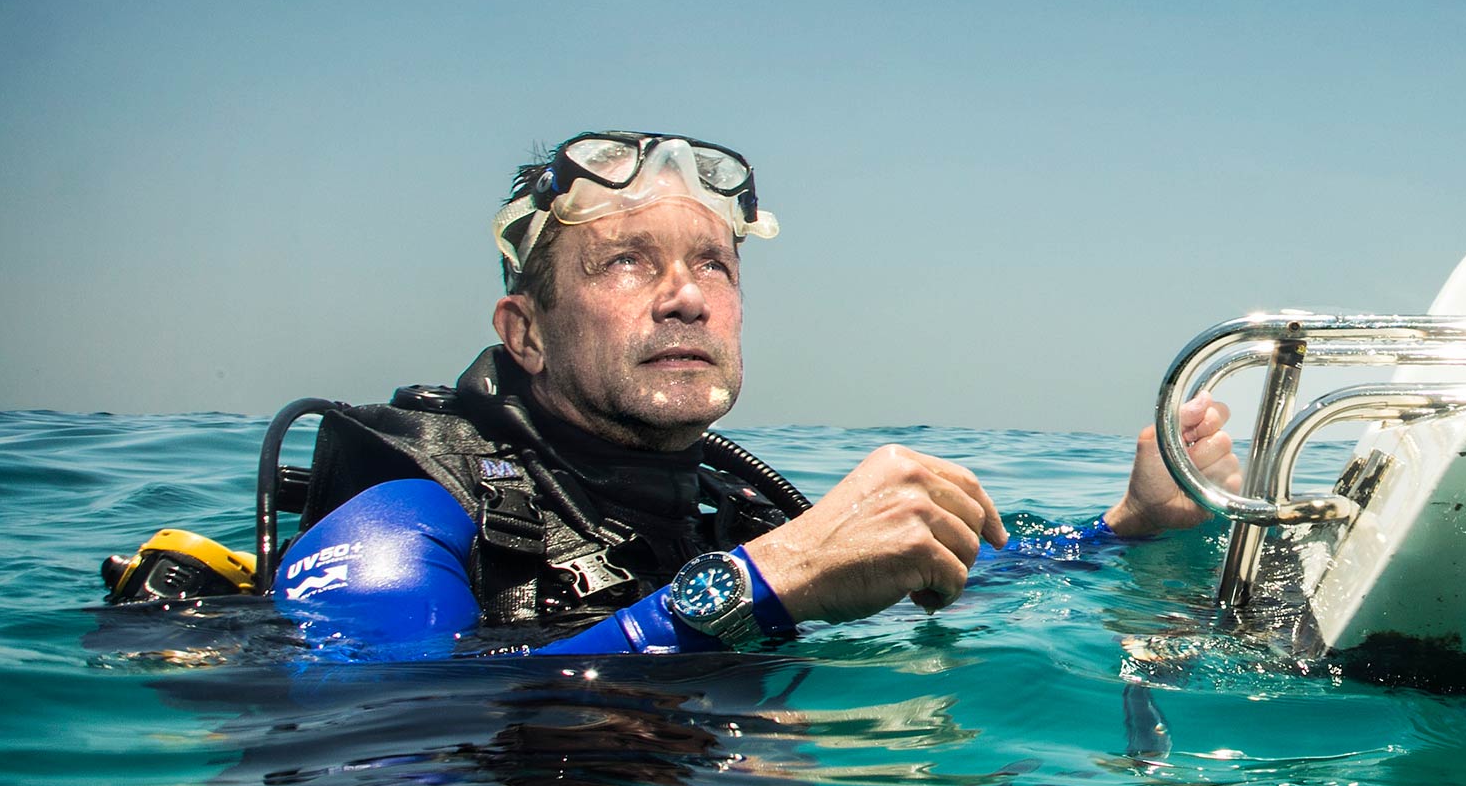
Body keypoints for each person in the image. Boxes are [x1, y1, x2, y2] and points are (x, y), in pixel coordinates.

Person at [275, 130, 1241, 658]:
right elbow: (375, 730)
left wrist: (1128, 526)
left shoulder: (725, 511)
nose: (687, 297)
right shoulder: (406, 512)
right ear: (525, 333)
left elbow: (973, 569)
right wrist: (760, 586)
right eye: (624, 263)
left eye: (714, 265)